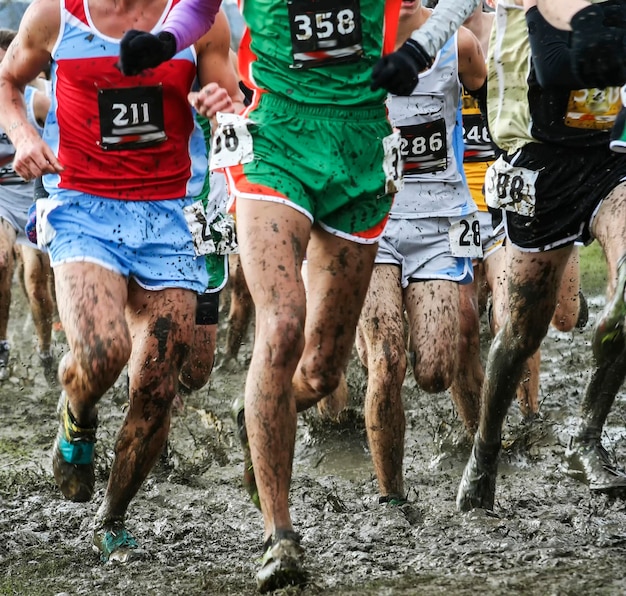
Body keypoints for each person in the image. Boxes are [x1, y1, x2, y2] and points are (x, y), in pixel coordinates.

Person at [0, 1, 243, 564]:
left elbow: (232, 108)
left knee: (161, 383)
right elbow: (8, 79)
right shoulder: (57, 14)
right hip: (84, 206)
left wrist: (219, 106)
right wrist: (24, 136)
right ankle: (77, 416)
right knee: (104, 351)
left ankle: (113, 517)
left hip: (170, 215)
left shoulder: (202, 18)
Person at [456, 0, 626, 513]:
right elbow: (555, 62)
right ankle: (485, 449)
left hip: (609, 158)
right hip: (540, 166)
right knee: (520, 335)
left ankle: (586, 437)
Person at [356, 0, 486, 505]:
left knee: (435, 371)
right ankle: (393, 499)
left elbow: (497, 117)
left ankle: (482, 454)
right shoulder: (355, 52)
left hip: (437, 223)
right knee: (387, 361)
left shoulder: (460, 48)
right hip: (372, 223)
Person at [453, 3, 587, 423]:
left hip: (522, 185)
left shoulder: (512, 32)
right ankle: (485, 431)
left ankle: (530, 417)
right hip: (453, 203)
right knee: (472, 324)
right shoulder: (427, 43)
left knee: (562, 317)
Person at [0, 29, 57, 386]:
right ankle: (2, 346)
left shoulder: (38, 99)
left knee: (37, 281)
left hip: (35, 194)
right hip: (3, 198)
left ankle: (45, 349)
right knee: (1, 261)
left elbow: (69, 116)